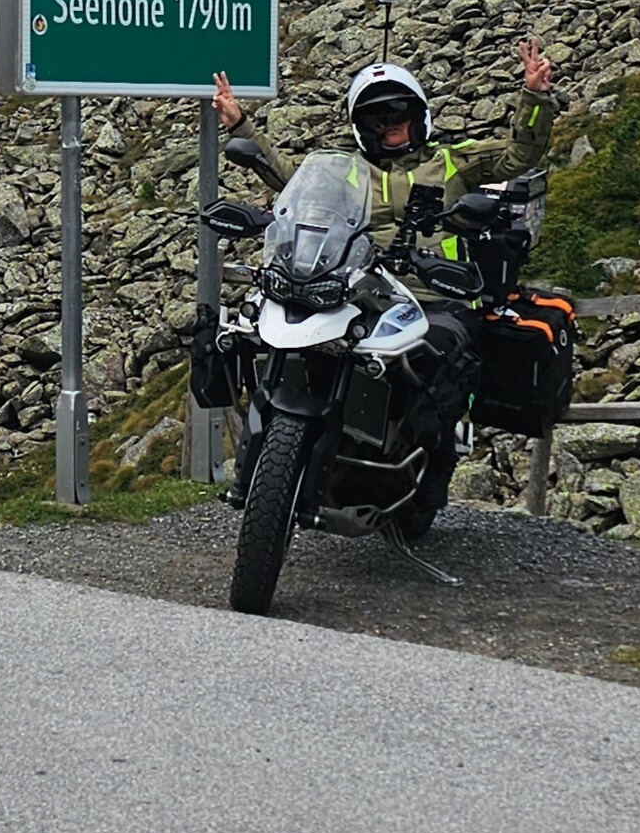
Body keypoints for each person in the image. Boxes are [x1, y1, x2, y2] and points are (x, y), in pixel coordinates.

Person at [212, 37, 557, 512]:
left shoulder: (452, 160)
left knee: (440, 361)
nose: (391, 126)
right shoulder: (349, 169)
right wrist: (241, 122)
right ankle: (299, 454)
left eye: (399, 116)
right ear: (363, 127)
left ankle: (435, 464)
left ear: (418, 117)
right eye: (379, 119)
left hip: (436, 293)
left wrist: (534, 96)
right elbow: (293, 178)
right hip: (362, 289)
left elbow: (520, 156)